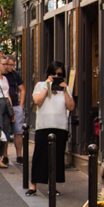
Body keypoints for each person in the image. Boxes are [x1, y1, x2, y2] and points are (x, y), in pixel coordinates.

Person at [29, 61, 75, 195]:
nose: (55, 76)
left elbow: (71, 107)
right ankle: (33, 185)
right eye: (53, 73)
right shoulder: (40, 85)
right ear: (48, 74)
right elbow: (37, 101)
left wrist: (65, 90)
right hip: (43, 125)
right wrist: (46, 86)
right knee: (40, 155)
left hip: (60, 126)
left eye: (59, 74)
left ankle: (52, 186)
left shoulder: (65, 89)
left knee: (57, 158)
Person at [5, 54, 25, 165]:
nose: (11, 67)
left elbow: (22, 89)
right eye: (9, 65)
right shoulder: (0, 75)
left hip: (16, 105)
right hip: (5, 106)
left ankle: (19, 155)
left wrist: (20, 105)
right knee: (5, 132)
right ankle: (4, 156)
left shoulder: (15, 74)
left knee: (18, 131)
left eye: (13, 65)